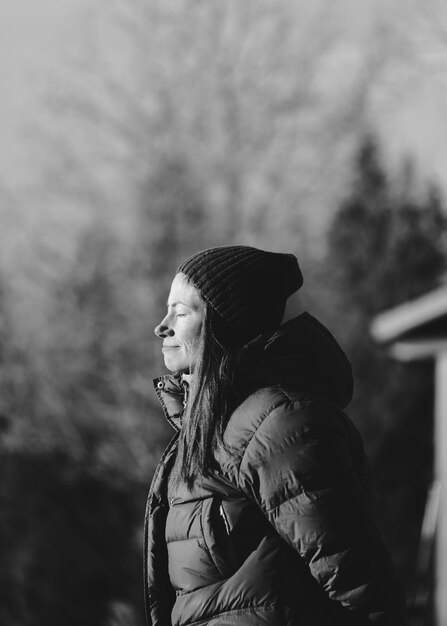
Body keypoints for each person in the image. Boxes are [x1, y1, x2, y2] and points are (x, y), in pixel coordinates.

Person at [144, 245, 405, 626]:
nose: (162, 326)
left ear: (228, 324)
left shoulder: (280, 425)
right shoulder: (209, 424)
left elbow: (361, 585)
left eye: (181, 313)